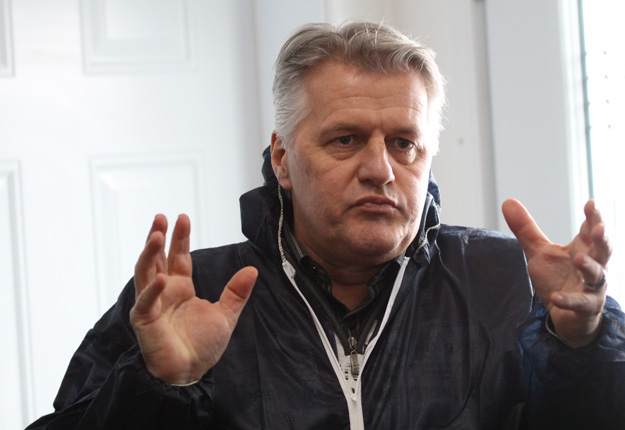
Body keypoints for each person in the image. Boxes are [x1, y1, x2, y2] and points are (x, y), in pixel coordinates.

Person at [28, 21, 624, 430]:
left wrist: (584, 342)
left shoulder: (511, 282)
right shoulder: (186, 300)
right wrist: (156, 384)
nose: (380, 170)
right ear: (283, 158)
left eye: (404, 144)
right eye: (345, 139)